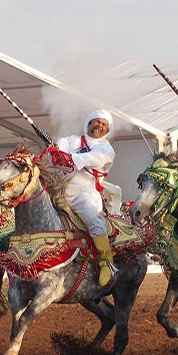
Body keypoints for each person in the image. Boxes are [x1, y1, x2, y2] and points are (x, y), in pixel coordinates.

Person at [55, 110, 116, 286]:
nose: (100, 126)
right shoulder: (68, 141)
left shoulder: (105, 147)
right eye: (97, 122)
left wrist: (71, 158)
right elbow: (57, 151)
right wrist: (57, 154)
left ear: (107, 130)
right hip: (57, 190)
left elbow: (96, 158)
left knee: (93, 219)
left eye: (104, 124)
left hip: (84, 193)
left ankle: (106, 263)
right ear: (88, 123)